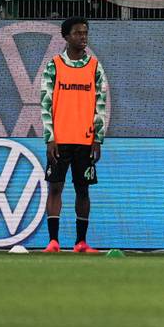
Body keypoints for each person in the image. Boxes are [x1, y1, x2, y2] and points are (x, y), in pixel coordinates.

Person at [39, 17, 108, 253]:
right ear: (66, 36)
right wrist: (50, 137)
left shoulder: (95, 66)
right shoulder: (54, 65)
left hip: (86, 140)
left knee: (83, 189)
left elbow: (101, 104)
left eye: (85, 33)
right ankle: (53, 241)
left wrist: (97, 138)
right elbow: (45, 103)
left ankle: (80, 242)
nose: (83, 37)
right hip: (60, 140)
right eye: (78, 33)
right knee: (55, 188)